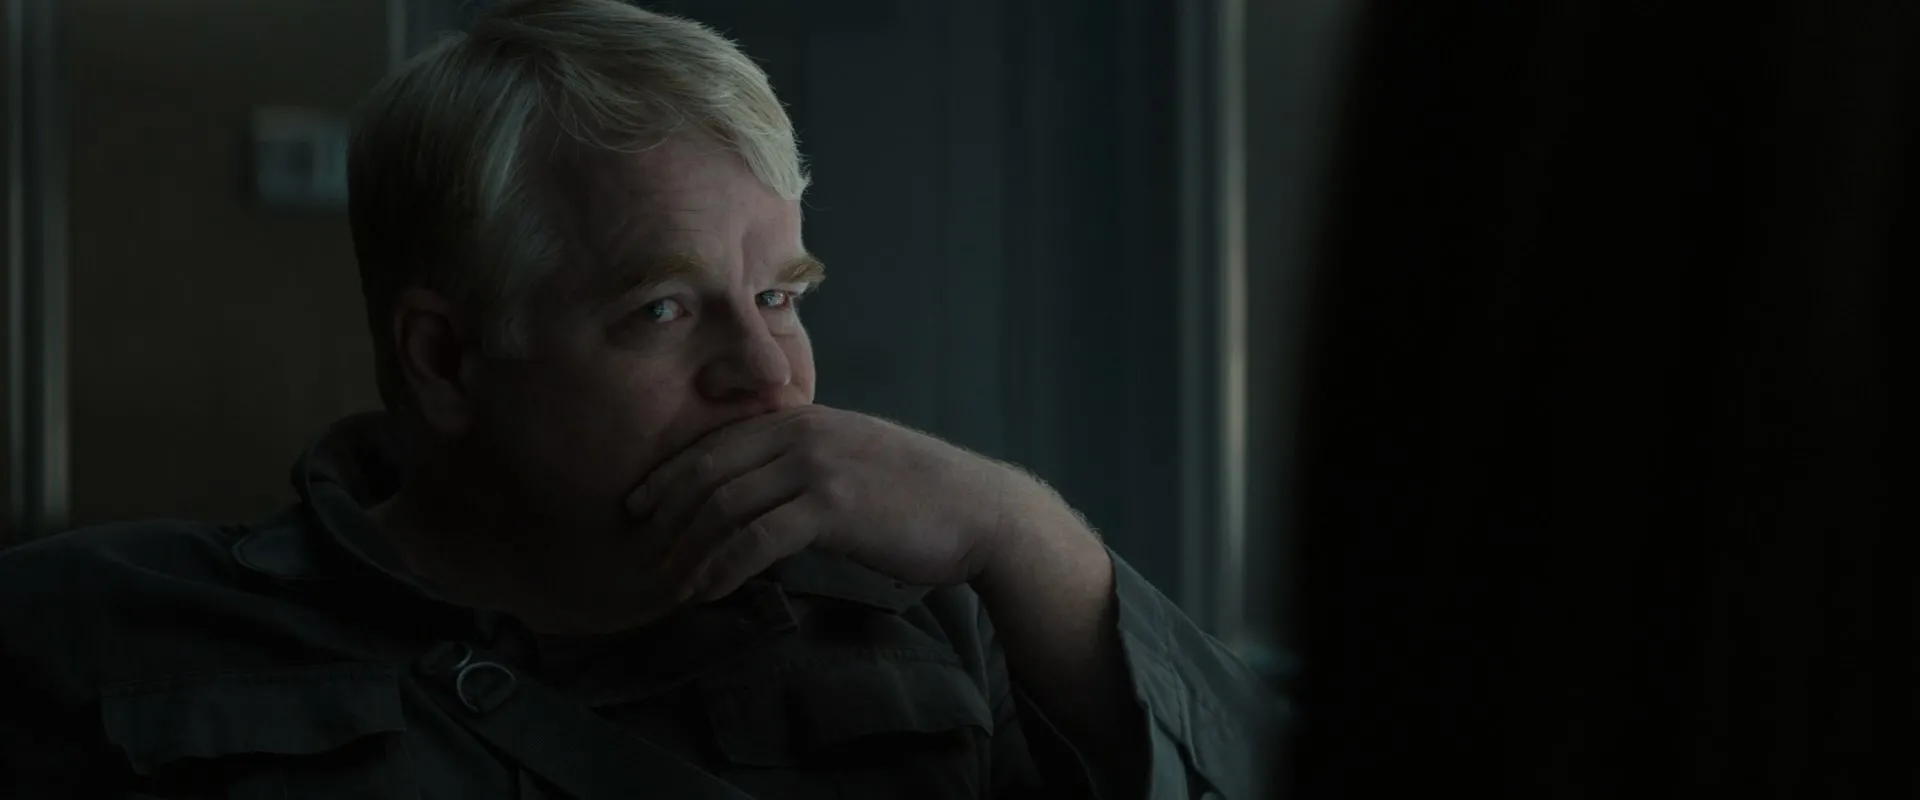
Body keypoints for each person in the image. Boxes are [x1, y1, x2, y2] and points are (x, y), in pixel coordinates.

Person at [0, 1, 1279, 797]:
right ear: (446, 359)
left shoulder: (927, 617)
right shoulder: (98, 635)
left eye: (779, 296)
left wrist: (1021, 532)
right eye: (662, 310)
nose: (767, 374)